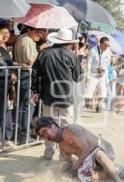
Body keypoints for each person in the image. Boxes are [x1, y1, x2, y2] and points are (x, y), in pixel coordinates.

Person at [35, 116, 124, 182]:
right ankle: (116, 170)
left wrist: (75, 167)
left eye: (45, 131)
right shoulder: (61, 146)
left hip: (104, 150)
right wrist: (68, 169)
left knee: (98, 154)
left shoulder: (72, 129)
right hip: (91, 162)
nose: (45, 137)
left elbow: (87, 149)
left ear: (53, 126)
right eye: (43, 136)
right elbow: (69, 162)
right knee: (81, 175)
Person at [31, 28, 83, 160]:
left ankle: (48, 153)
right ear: (69, 42)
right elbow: (78, 77)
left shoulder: (44, 53)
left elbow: (35, 74)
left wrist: (35, 91)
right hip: (66, 97)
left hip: (48, 96)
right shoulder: (72, 56)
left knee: (47, 125)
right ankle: (65, 156)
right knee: (67, 127)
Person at [14, 25, 41, 144]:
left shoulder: (22, 38)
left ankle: (21, 135)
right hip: (27, 75)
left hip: (24, 75)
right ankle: (23, 136)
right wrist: (41, 52)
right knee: (27, 107)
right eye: (36, 30)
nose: (39, 33)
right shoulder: (27, 40)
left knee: (23, 107)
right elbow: (30, 60)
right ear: (29, 30)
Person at [85, 36, 111, 112]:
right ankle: (87, 102)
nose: (106, 46)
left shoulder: (108, 52)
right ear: (100, 44)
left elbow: (107, 63)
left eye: (108, 45)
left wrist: (103, 69)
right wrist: (88, 75)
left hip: (102, 74)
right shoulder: (93, 50)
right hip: (93, 74)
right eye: (105, 45)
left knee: (103, 90)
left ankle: (99, 106)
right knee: (89, 90)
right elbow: (88, 63)